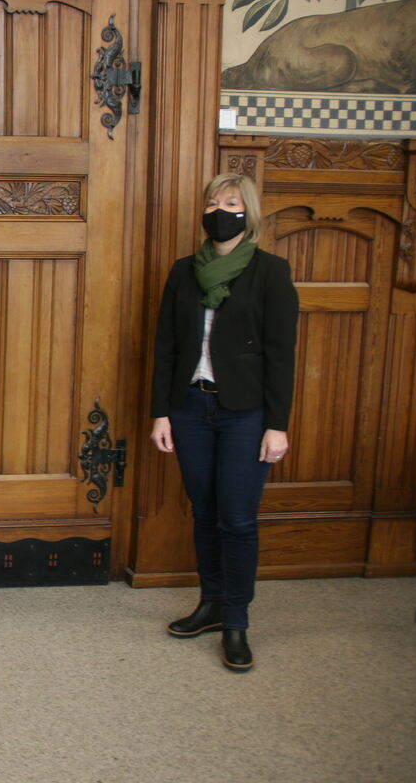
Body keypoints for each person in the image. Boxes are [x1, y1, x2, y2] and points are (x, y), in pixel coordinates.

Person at [150, 172, 299, 672]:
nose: (219, 210)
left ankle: (236, 620)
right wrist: (161, 412)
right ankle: (210, 604)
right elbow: (166, 346)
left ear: (248, 213)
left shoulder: (270, 272)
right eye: (213, 202)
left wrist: (277, 424)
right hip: (190, 409)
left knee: (236, 518)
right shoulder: (183, 271)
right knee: (205, 512)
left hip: (245, 415)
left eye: (231, 203)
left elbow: (281, 354)